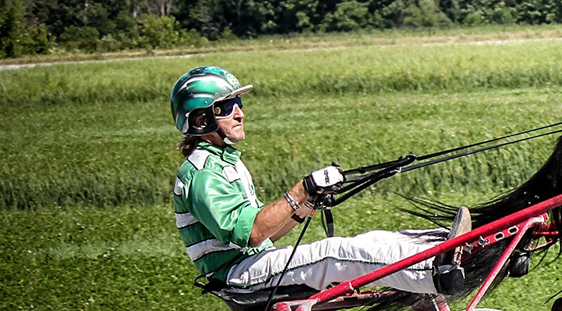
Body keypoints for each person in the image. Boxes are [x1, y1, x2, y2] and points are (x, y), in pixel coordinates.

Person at [169, 65, 475, 299]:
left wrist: (307, 203)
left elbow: (267, 233)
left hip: (254, 262)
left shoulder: (224, 162)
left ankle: (447, 245)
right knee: (334, 253)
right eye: (226, 107)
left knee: (371, 241)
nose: (239, 113)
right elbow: (252, 233)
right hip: (239, 274)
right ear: (201, 121)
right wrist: (301, 189)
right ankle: (434, 271)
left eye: (239, 103)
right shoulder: (203, 174)